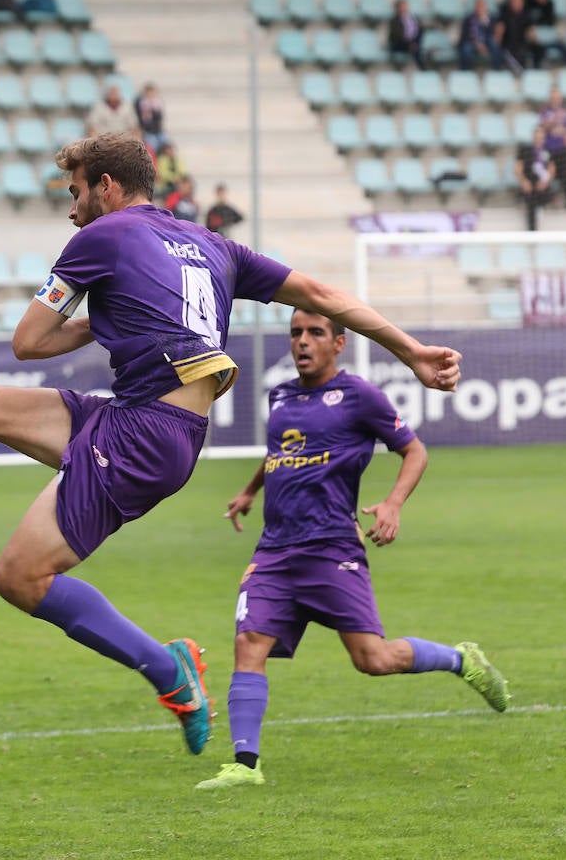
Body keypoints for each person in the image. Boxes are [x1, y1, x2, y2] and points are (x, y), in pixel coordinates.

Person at [0, 132, 465, 762]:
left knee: (18, 577)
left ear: (108, 187)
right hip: (146, 419)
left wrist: (95, 315)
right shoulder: (215, 244)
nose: (70, 206)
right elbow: (325, 292)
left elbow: (28, 342)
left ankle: (167, 670)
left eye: (75, 190)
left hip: (144, 433)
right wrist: (409, 350)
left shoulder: (99, 238)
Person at [193, 310, 509, 792]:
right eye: (296, 332)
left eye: (315, 333)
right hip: (275, 550)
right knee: (248, 644)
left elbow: (415, 451)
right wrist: (251, 490)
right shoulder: (280, 395)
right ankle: (245, 764)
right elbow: (281, 450)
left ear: (338, 343)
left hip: (331, 547)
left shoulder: (359, 396)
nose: (302, 342)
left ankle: (460, 659)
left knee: (373, 659)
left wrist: (393, 504)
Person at [539, 87, 566, 209]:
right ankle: (549, 200)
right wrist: (554, 119)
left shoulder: (564, 111)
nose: (556, 99)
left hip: (562, 148)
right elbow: (543, 127)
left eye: (558, 97)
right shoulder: (546, 111)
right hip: (549, 148)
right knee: (548, 174)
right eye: (554, 97)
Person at [516, 124, 555, 231]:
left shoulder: (547, 151)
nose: (539, 137)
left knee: (543, 193)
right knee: (530, 196)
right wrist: (523, 181)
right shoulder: (525, 149)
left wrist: (545, 182)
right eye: (537, 134)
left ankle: (540, 206)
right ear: (533, 135)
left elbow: (552, 169)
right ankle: (532, 231)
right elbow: (518, 168)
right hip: (529, 182)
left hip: (542, 183)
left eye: (541, 134)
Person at [456, 0, 501, 72]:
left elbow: (492, 34)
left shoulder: (491, 19)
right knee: (466, 49)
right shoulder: (468, 19)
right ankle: (465, 71)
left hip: (487, 42)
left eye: (482, 6)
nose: (480, 8)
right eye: (479, 6)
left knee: (494, 44)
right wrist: (477, 45)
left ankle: (497, 71)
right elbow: (465, 36)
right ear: (475, 7)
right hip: (472, 43)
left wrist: (485, 23)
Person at [495, 0, 536, 72]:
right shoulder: (504, 14)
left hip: (522, 44)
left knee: (535, 49)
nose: (516, 3)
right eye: (514, 1)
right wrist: (497, 40)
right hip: (508, 44)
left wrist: (533, 37)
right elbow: (499, 31)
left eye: (518, 1)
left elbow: (531, 31)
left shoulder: (526, 15)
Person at [386, 0, 425, 69]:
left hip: (412, 43)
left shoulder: (412, 18)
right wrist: (409, 41)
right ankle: (422, 68)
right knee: (414, 47)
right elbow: (396, 36)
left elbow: (418, 30)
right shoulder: (394, 20)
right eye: (402, 6)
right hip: (399, 44)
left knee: (419, 37)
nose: (404, 8)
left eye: (405, 6)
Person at [134, 82, 167, 150]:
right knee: (152, 144)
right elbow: (141, 119)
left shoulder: (158, 103)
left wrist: (153, 109)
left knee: (165, 142)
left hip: (157, 130)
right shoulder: (140, 103)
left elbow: (159, 118)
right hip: (146, 131)